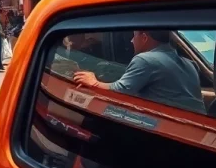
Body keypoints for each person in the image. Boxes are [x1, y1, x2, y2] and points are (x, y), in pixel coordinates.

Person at [73, 30, 206, 114]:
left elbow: (120, 91)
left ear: (144, 37)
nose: (131, 40)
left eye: (134, 35)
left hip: (171, 128)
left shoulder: (145, 59)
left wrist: (93, 82)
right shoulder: (190, 64)